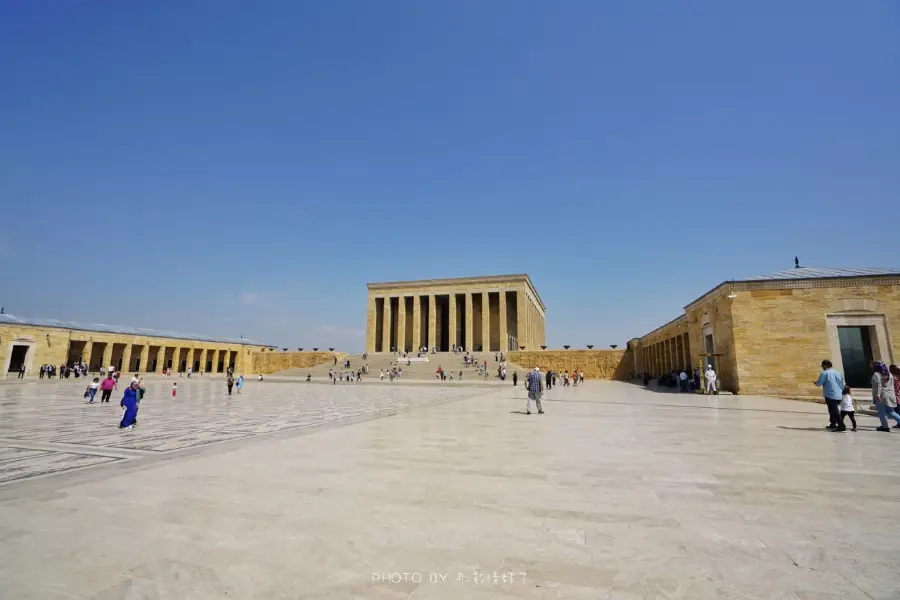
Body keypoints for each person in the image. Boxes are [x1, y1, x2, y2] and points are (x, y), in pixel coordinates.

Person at [814, 360, 844, 430]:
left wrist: (815, 383)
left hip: (830, 394)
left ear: (825, 365)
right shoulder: (838, 373)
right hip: (838, 394)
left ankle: (842, 426)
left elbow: (819, 383)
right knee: (832, 410)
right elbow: (841, 384)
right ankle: (833, 424)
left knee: (834, 411)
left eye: (823, 366)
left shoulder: (824, 373)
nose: (822, 368)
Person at [872, 361, 900, 432]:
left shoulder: (876, 374)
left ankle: (885, 427)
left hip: (881, 396)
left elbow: (878, 385)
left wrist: (877, 395)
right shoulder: (889, 374)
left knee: (881, 412)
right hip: (890, 395)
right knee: (891, 412)